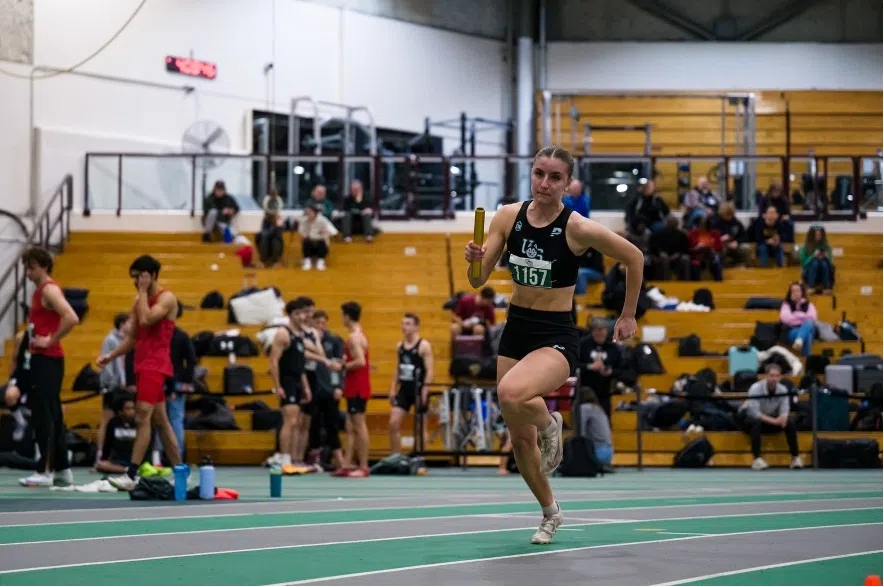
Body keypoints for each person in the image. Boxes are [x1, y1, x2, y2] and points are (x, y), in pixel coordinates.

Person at [464, 145, 643, 544]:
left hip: (556, 335)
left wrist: (628, 314)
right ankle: (550, 512)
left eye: (555, 177)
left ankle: (550, 423)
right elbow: (478, 279)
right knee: (519, 439)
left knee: (511, 393)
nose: (545, 183)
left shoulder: (577, 227)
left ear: (568, 183)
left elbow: (633, 257)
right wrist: (474, 258)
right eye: (539, 173)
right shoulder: (508, 216)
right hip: (516, 329)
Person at [97, 255, 184, 490]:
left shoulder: (166, 298)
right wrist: (111, 356)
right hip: (141, 363)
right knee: (161, 422)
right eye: (134, 278)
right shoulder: (139, 301)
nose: (136, 282)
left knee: (141, 415)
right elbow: (133, 337)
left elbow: (147, 320)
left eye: (140, 277)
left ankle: (132, 473)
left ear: (152, 275)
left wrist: (143, 292)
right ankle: (181, 473)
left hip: (156, 364)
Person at [18, 246, 80, 488]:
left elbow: (71, 317)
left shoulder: (49, 289)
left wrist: (51, 339)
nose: (28, 273)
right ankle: (62, 469)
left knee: (44, 415)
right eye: (26, 268)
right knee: (53, 414)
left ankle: (44, 470)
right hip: (45, 359)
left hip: (47, 359)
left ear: (43, 267)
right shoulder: (41, 291)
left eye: (31, 268)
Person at [268, 300, 312, 468]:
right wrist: (278, 385)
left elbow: (299, 365)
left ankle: (292, 458)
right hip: (286, 381)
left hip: (297, 381)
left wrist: (306, 386)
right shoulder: (283, 333)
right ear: (290, 315)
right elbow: (273, 361)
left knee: (297, 422)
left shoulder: (299, 335)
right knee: (290, 421)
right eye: (297, 314)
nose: (301, 317)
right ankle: (285, 458)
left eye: (303, 313)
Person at [737, 364, 802, 470]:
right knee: (756, 422)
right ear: (766, 376)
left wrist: (783, 418)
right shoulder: (755, 388)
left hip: (770, 419)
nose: (774, 379)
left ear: (780, 377)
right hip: (748, 419)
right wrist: (775, 421)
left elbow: (785, 410)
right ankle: (757, 459)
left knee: (790, 422)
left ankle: (795, 458)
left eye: (777, 376)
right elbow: (754, 413)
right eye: (771, 375)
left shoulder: (783, 390)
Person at [388, 313, 435, 456]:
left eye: (408, 324)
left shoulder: (424, 346)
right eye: (403, 323)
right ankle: (396, 457)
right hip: (404, 390)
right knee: (393, 423)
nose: (404, 327)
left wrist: (425, 390)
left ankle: (419, 458)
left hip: (418, 389)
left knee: (420, 427)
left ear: (416, 327)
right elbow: (398, 369)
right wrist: (392, 389)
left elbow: (430, 370)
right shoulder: (400, 346)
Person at [341, 301, 371, 477]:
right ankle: (347, 464)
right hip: (355, 385)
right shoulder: (358, 334)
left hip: (357, 386)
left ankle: (364, 466)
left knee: (359, 425)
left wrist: (342, 366)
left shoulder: (354, 338)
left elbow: (360, 361)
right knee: (351, 425)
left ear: (346, 316)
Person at [95, 394, 143, 475]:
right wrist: (104, 459)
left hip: (135, 460)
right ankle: (127, 470)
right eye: (128, 409)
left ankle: (133, 469)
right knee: (100, 465)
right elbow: (108, 444)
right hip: (118, 461)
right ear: (120, 411)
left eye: (133, 408)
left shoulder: (139, 424)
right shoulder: (113, 423)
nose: (132, 411)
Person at [780, 281, 817, 357]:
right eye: (793, 291)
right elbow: (787, 319)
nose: (796, 293)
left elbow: (813, 317)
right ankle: (806, 359)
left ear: (802, 292)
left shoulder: (808, 304)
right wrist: (802, 316)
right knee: (807, 335)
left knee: (809, 322)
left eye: (798, 290)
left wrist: (795, 315)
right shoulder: (786, 304)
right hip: (792, 331)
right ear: (790, 293)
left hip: (807, 327)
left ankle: (799, 340)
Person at [800, 225, 834, 293]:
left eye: (820, 235)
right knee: (815, 263)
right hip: (809, 271)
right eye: (816, 235)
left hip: (823, 270)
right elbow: (803, 263)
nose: (818, 236)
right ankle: (811, 286)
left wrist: (826, 256)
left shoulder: (827, 246)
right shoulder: (806, 246)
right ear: (812, 235)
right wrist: (813, 256)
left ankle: (826, 287)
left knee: (823, 263)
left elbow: (831, 263)